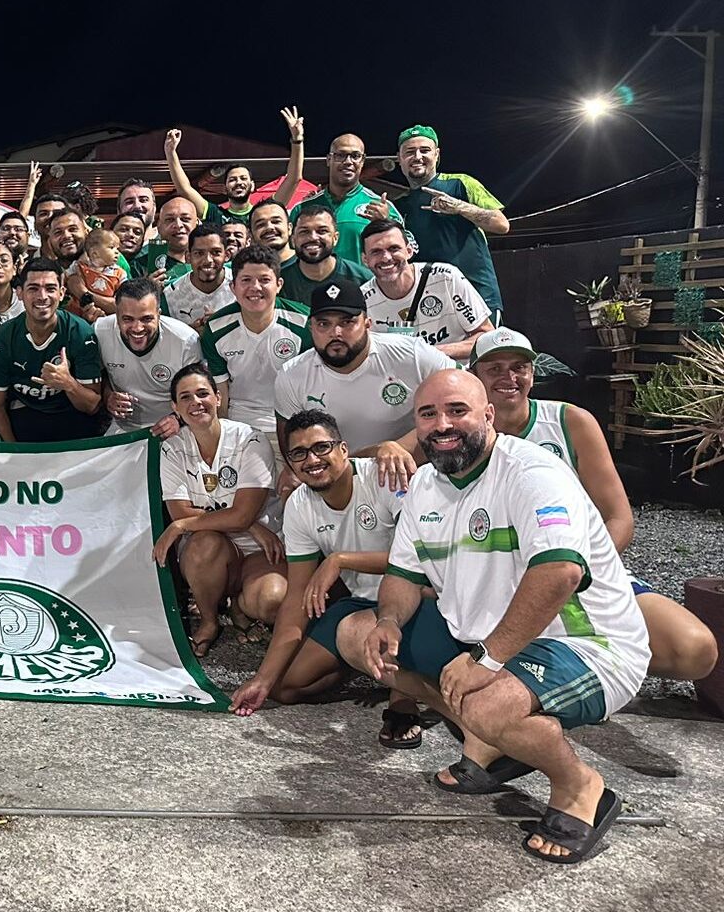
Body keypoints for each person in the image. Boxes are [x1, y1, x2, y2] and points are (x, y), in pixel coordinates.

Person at [337, 371, 648, 864]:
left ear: (488, 415)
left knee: (486, 703)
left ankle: (579, 787)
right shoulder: (426, 484)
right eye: (428, 414)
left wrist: (486, 660)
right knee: (356, 635)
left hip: (583, 644)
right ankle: (492, 744)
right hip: (483, 639)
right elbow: (402, 573)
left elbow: (561, 572)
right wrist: (390, 621)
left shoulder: (532, 473)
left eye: (457, 411)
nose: (442, 425)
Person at [371, 329, 719, 682]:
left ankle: (579, 671)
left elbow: (619, 518)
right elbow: (388, 454)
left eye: (519, 367)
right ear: (474, 378)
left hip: (572, 568)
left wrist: (572, 567)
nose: (509, 377)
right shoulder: (447, 428)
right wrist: (388, 446)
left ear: (533, 374)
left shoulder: (570, 422)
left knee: (694, 651)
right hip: (484, 571)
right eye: (495, 369)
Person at [228, 409, 422, 748]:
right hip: (361, 604)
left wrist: (340, 560)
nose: (312, 459)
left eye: (321, 447)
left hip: (413, 598)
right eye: (299, 453)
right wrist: (262, 679)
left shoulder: (384, 477)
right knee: (285, 687)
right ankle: (363, 660)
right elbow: (296, 599)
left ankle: (404, 695)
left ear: (344, 449)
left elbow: (422, 560)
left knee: (393, 625)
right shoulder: (299, 505)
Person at [152, 366, 286, 656]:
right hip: (214, 545)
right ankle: (210, 620)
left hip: (259, 550)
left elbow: (192, 520)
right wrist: (246, 522)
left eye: (202, 394)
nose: (195, 403)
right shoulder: (172, 449)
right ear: (175, 407)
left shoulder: (251, 439)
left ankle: (239, 604)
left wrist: (183, 526)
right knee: (204, 543)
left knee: (271, 602)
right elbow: (180, 514)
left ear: (218, 397)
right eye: (185, 397)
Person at [274, 281, 453, 455]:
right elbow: (291, 445)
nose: (335, 332)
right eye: (323, 324)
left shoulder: (412, 354)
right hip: (340, 475)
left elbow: (464, 385)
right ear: (311, 327)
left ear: (368, 323)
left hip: (417, 466)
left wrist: (397, 449)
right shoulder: (292, 375)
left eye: (346, 322)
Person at [199, 245, 312, 450]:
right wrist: (223, 437)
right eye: (246, 280)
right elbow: (220, 393)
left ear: (278, 284)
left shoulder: (304, 324)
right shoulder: (216, 329)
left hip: (291, 423)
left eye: (264, 280)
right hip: (239, 424)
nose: (255, 287)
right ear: (233, 287)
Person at [0, 257, 103, 443]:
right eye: (33, 289)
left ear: (62, 293)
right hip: (26, 416)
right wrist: (14, 452)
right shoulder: (2, 339)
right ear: (20, 293)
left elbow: (92, 406)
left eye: (50, 288)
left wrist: (68, 383)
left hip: (72, 415)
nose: (42, 296)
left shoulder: (81, 333)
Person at [397, 125, 510, 318]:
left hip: (477, 296)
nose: (417, 157)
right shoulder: (399, 205)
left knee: (482, 349)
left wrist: (459, 206)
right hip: (429, 303)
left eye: (425, 150)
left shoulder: (461, 183)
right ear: (399, 159)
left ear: (437, 155)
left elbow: (502, 225)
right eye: (409, 152)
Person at [360, 219, 494, 360]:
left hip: (455, 375)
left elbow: (486, 336)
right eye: (376, 252)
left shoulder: (446, 277)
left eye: (394, 248)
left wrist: (429, 353)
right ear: (365, 259)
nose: (386, 258)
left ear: (409, 251)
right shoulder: (362, 299)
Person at [97, 279, 201, 437]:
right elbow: (100, 377)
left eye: (146, 319)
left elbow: (200, 394)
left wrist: (178, 420)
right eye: (128, 319)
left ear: (159, 315)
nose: (137, 328)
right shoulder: (100, 331)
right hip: (122, 428)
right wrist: (108, 396)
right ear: (116, 315)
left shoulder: (185, 340)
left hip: (176, 428)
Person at [166, 108, 305, 225]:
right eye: (232, 179)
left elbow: (293, 179)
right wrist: (170, 152)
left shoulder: (265, 211)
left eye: (243, 178)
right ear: (224, 188)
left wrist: (297, 140)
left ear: (252, 185)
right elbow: (184, 189)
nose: (238, 182)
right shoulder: (215, 214)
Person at [289, 133, 404, 265]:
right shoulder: (302, 208)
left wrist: (386, 224)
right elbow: (288, 254)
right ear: (328, 160)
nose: (348, 162)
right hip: (315, 284)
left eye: (355, 156)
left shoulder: (381, 207)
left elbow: (406, 251)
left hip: (363, 284)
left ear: (362, 161)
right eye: (341, 155)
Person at [278, 203, 374, 306]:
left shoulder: (363, 280)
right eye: (304, 232)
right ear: (292, 240)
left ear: (335, 238)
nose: (313, 237)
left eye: (322, 231)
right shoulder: (279, 283)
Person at [164, 226, 236, 330]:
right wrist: (190, 334)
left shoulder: (242, 285)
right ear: (188, 257)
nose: (207, 260)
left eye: (216, 252)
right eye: (199, 253)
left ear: (227, 255)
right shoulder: (170, 295)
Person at [66, 228, 125, 322]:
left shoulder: (119, 273)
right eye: (111, 247)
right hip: (76, 317)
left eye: (117, 248)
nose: (117, 252)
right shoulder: (79, 267)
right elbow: (67, 278)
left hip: (106, 318)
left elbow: (123, 299)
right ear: (95, 253)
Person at [141, 196, 197, 281]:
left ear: (197, 224)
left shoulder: (209, 262)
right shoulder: (140, 266)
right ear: (159, 227)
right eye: (170, 219)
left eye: (185, 219)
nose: (178, 225)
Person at [248, 199, 294, 264]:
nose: (269, 227)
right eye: (261, 224)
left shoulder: (308, 263)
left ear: (289, 228)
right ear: (251, 235)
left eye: (276, 221)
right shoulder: (246, 270)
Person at [112, 212, 152, 277]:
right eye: (123, 230)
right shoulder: (95, 264)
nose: (130, 234)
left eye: (137, 232)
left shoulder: (148, 269)